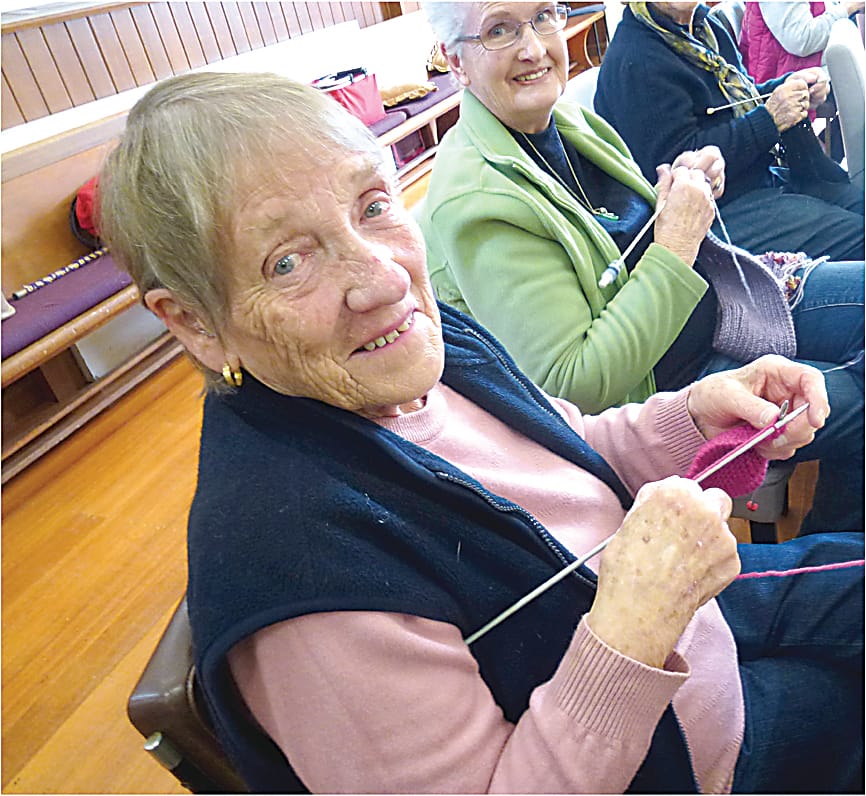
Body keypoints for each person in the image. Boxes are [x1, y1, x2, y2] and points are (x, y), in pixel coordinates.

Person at [98, 70, 863, 795]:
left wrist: (694, 415)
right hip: (688, 754)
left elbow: (572, 446)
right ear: (193, 322)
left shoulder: (425, 345)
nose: (385, 278)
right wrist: (633, 629)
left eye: (371, 206)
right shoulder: (306, 581)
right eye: (288, 261)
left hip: (689, 620)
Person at [416, 2, 863, 532]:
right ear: (456, 63)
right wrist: (676, 241)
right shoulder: (475, 200)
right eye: (499, 30)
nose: (533, 47)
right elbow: (574, 384)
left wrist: (678, 186)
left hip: (716, 310)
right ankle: (833, 567)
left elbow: (614, 242)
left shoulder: (565, 121)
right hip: (674, 390)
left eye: (542, 16)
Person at [594, 2, 864, 261]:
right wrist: (771, 118)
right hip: (716, 217)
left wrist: (787, 88)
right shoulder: (636, 60)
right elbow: (683, 168)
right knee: (860, 237)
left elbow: (736, 103)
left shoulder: (704, 25)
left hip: (759, 181)